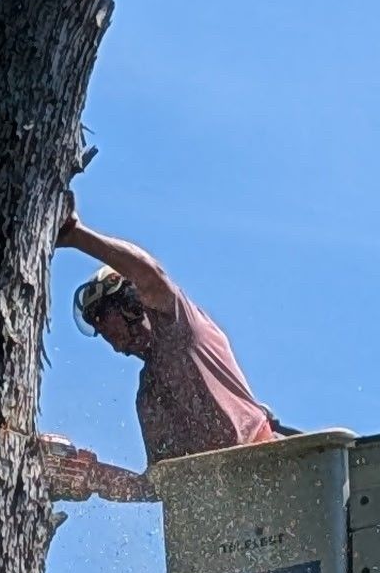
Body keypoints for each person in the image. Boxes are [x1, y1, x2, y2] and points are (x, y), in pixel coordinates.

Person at [41, 200, 287, 504]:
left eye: (110, 327)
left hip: (274, 467)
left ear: (131, 303)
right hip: (223, 505)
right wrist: (92, 477)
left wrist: (76, 235)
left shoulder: (181, 329)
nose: (115, 345)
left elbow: (150, 274)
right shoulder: (149, 397)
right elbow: (158, 486)